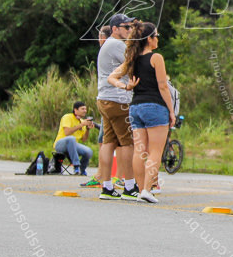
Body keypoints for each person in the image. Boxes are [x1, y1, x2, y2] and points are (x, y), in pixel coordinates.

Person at [108, 21, 175, 204]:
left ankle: (139, 190)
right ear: (149, 39)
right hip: (155, 107)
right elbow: (163, 86)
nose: (158, 39)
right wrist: (171, 111)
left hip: (135, 107)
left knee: (140, 151)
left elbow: (111, 77)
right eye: (157, 36)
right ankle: (147, 189)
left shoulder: (132, 59)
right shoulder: (156, 58)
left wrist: (126, 86)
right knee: (155, 151)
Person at [95, 13, 139, 200]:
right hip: (118, 99)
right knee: (127, 143)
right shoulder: (117, 45)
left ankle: (106, 186)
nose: (130, 30)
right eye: (126, 27)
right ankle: (129, 186)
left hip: (105, 98)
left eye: (131, 27)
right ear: (115, 29)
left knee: (108, 143)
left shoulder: (109, 45)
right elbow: (135, 64)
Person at [53, 101, 95, 175]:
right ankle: (76, 166)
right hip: (60, 144)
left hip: (73, 146)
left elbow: (84, 139)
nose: (85, 111)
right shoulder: (67, 117)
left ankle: (82, 170)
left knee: (88, 151)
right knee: (71, 138)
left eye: (85, 109)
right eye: (82, 109)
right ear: (75, 110)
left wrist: (87, 129)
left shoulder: (82, 122)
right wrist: (81, 125)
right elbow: (67, 132)